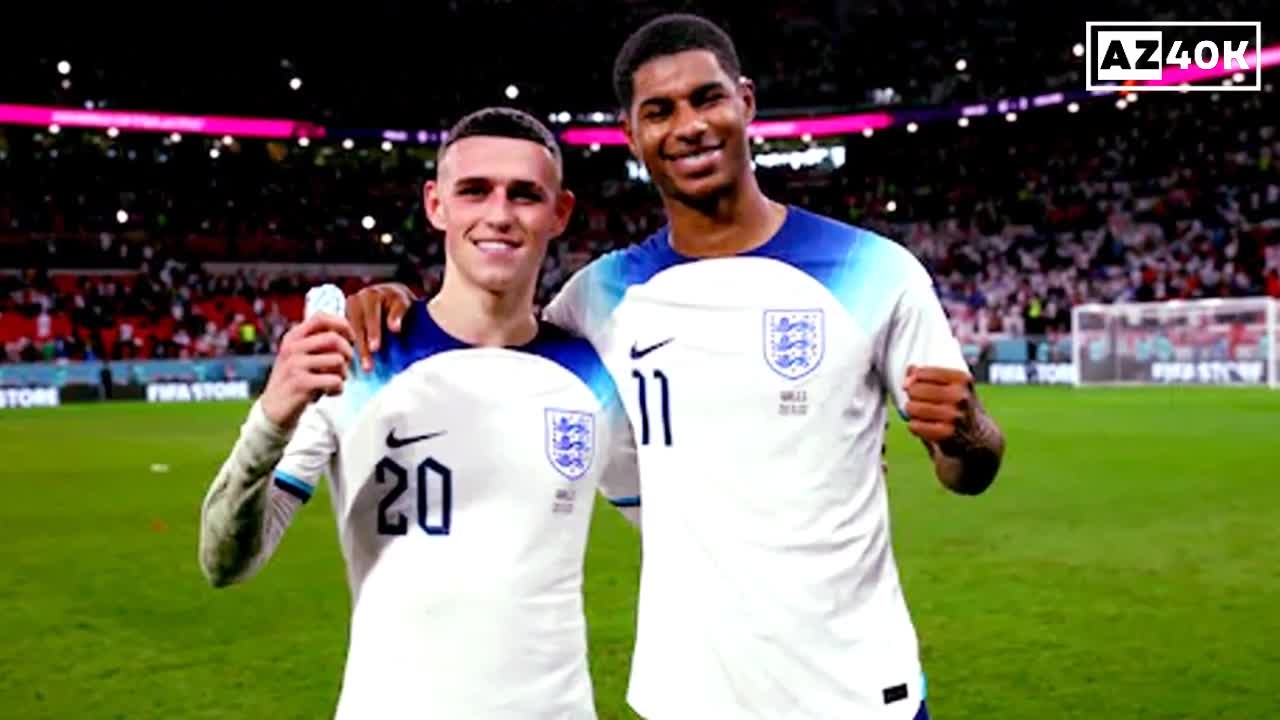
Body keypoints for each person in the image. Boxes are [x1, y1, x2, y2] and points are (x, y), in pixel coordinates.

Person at [345, 14, 1006, 720]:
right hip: (684, 697)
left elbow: (969, 471)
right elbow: (489, 330)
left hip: (856, 691)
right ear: (631, 135)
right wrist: (398, 305)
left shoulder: (877, 272)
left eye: (707, 98)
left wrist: (969, 434)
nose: (689, 125)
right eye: (659, 111)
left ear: (745, 102)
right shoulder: (596, 301)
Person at [198, 107, 639, 720]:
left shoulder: (594, 376)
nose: (499, 214)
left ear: (559, 213)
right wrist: (271, 418)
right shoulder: (356, 357)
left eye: (525, 195)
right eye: (474, 190)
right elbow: (225, 562)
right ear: (436, 204)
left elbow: (684, 535)